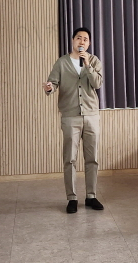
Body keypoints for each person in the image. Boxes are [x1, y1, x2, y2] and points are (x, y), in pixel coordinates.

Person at [43, 27, 104, 214]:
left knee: (92, 158)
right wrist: (48, 88)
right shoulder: (62, 62)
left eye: (85, 39)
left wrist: (87, 66)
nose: (82, 42)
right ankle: (72, 198)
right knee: (69, 159)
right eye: (79, 38)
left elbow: (98, 84)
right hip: (70, 116)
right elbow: (52, 83)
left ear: (89, 43)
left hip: (91, 115)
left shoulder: (93, 61)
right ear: (72, 40)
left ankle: (91, 196)